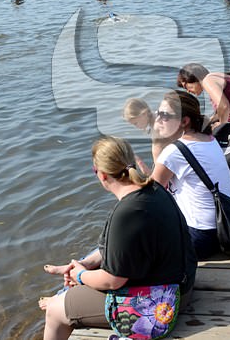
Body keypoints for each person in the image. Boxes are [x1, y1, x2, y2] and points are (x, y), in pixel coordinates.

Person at [40, 136, 196, 340]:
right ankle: (67, 294)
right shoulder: (154, 189)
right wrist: (86, 264)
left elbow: (113, 280)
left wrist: (80, 275)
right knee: (81, 277)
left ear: (102, 175)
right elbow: (125, 247)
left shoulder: (126, 214)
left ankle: (61, 300)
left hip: (163, 301)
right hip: (181, 283)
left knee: (54, 311)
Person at [152, 90, 230, 259]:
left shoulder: (174, 151)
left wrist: (156, 144)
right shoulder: (209, 138)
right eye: (157, 113)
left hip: (200, 236)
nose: (157, 119)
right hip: (226, 226)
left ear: (184, 121)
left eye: (164, 115)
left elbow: (150, 195)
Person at [177, 63, 230, 141]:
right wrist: (210, 121)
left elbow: (224, 106)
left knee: (195, 136)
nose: (187, 91)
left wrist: (221, 124)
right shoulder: (215, 77)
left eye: (186, 86)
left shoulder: (208, 81)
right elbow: (223, 109)